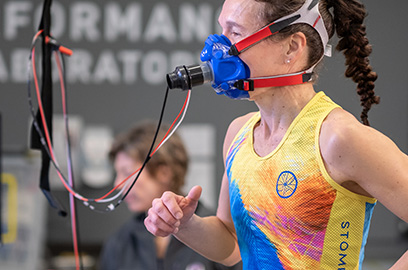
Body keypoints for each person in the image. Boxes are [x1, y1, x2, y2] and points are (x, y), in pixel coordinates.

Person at [144, 0, 408, 269]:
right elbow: (231, 243)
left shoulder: (337, 138)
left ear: (292, 47)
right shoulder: (239, 134)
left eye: (235, 32)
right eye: (221, 29)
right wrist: (185, 224)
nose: (217, 46)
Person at [99, 121, 241, 270]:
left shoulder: (221, 236)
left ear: (164, 172)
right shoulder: (120, 244)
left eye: (127, 173)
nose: (118, 184)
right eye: (117, 173)